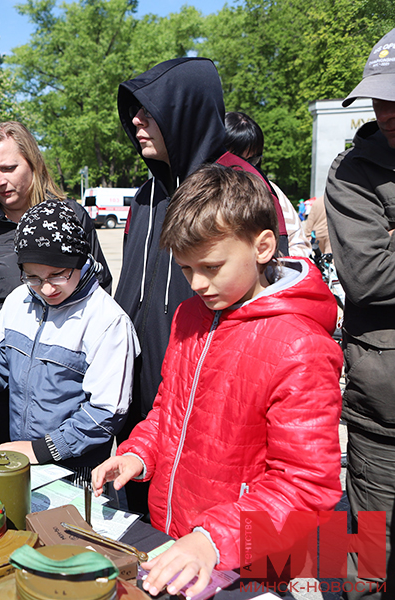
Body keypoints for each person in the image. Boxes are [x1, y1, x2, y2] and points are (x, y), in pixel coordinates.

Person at [93, 164, 342, 596]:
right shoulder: (191, 316)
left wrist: (213, 539)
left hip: (252, 560)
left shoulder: (300, 346)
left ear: (263, 246)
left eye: (211, 266)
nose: (198, 284)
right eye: (186, 270)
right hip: (178, 543)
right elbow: (168, 411)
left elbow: (305, 485)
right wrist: (138, 454)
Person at [112, 57, 289, 515]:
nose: (136, 122)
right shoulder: (147, 193)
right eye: (133, 111)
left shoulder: (237, 183)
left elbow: (269, 292)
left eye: (148, 111)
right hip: (146, 390)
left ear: (182, 111)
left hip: (212, 391)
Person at [0, 199, 138, 486]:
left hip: (74, 471)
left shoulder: (107, 321)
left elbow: (105, 414)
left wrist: (41, 449)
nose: (45, 288)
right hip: (24, 460)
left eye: (58, 274)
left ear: (79, 259)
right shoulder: (19, 301)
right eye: (32, 276)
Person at [0, 121, 113, 443]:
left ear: (33, 162)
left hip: (59, 394)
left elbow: (99, 291)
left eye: (8, 168)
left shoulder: (72, 217)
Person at [325, 26, 395, 599]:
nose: (386, 110)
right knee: (370, 563)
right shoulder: (351, 173)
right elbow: (369, 275)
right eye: (379, 96)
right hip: (381, 419)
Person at [223, 111, 312, 258]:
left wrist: (273, 268)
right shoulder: (198, 189)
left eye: (253, 160)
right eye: (236, 159)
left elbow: (298, 244)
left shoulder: (270, 191)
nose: (244, 167)